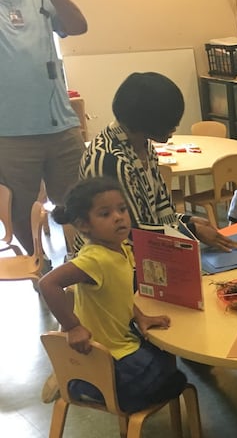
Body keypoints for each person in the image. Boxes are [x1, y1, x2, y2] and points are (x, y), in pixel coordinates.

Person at [38, 177, 187, 413]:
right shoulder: (95, 258)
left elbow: (120, 292)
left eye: (122, 209)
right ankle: (78, 381)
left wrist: (140, 316)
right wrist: (72, 327)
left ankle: (75, 376)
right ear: (84, 225)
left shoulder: (122, 248)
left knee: (168, 363)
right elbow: (48, 284)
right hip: (105, 352)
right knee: (173, 382)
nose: (119, 217)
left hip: (121, 342)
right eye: (105, 214)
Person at [79, 72, 237, 252]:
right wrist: (192, 231)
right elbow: (127, 233)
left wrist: (186, 221)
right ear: (146, 120)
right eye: (169, 123)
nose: (174, 128)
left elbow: (155, 213)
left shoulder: (144, 147)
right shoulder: (110, 160)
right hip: (110, 263)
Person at [0, 0, 87, 255]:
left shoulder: (41, 1)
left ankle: (86, 264)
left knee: (82, 203)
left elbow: (79, 26)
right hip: (10, 133)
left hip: (61, 125)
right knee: (20, 210)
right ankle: (40, 266)